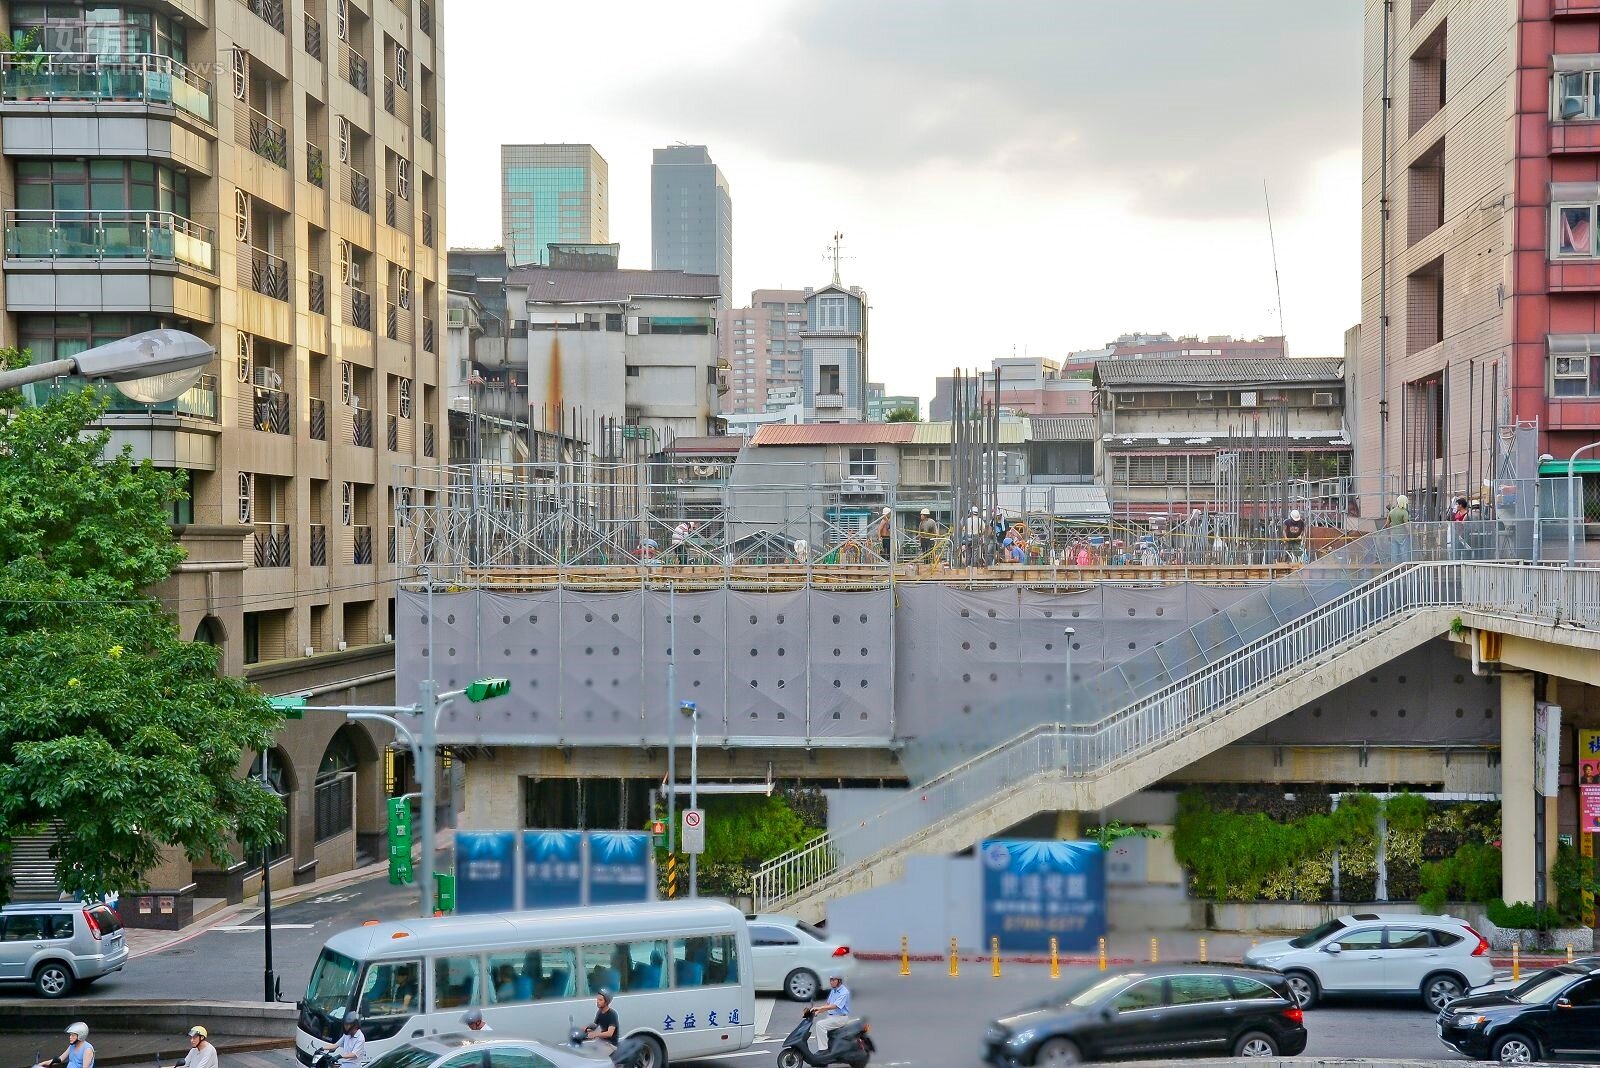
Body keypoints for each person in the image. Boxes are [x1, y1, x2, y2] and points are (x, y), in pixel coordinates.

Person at [811, 973, 854, 1054]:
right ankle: (830, 1051)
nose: (831, 982)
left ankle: (824, 1051)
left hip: (840, 1018)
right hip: (831, 1017)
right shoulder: (833, 991)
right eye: (830, 980)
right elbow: (828, 1005)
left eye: (833, 980)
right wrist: (817, 1012)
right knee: (819, 1034)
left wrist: (819, 1008)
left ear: (839, 981)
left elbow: (835, 1006)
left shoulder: (844, 992)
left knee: (820, 1025)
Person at [585, 989, 619, 1054]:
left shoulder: (612, 1014)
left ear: (606, 1002)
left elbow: (609, 1033)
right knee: (586, 1050)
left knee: (594, 1055)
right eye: (597, 999)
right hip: (602, 1041)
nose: (597, 1001)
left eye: (600, 1000)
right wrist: (586, 1030)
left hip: (611, 1045)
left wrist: (595, 1034)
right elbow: (595, 1025)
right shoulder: (599, 1012)